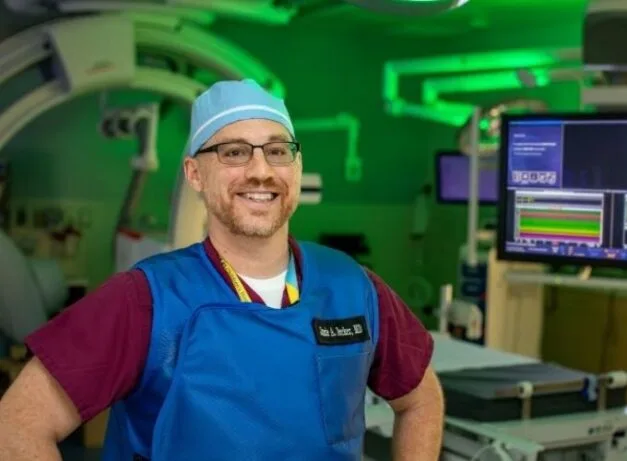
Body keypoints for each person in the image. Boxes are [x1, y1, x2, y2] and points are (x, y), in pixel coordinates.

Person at [0, 80, 444, 460]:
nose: (261, 171)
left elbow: (422, 399)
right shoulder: (147, 300)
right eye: (233, 153)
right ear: (195, 174)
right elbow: (17, 426)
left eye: (277, 151)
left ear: (298, 165)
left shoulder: (352, 287)